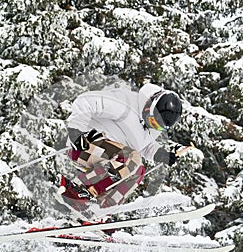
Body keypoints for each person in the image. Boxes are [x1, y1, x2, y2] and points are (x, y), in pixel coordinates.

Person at [57, 82, 182, 212]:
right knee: (131, 158)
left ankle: (101, 210)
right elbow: (85, 101)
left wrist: (160, 154)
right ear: (148, 108)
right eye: (152, 122)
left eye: (158, 127)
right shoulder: (125, 105)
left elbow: (143, 146)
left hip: (112, 158)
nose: (153, 127)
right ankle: (76, 189)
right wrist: (76, 131)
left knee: (138, 171)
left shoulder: (151, 128)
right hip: (84, 147)